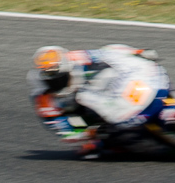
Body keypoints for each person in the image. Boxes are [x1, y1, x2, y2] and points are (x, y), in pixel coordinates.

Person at [29, 44, 161, 159]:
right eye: (49, 79)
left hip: (111, 92)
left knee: (111, 69)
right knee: (99, 150)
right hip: (95, 123)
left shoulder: (78, 57)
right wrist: (87, 134)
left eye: (58, 77)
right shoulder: (43, 99)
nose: (54, 82)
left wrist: (137, 52)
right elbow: (60, 128)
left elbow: (111, 52)